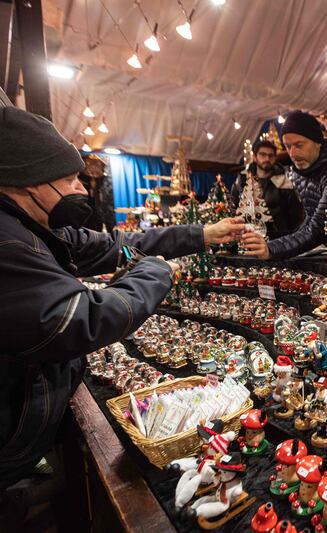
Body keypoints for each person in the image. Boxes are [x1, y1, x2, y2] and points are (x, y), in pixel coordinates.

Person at [0, 106, 244, 488]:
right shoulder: (9, 243)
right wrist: (156, 272)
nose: (81, 189)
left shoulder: (37, 228)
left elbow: (120, 246)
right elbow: (81, 318)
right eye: (68, 180)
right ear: (30, 183)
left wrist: (203, 234)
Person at [239, 110, 327, 260]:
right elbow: (308, 221)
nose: (292, 153)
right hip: (324, 254)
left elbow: (319, 227)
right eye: (287, 146)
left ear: (317, 142)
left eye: (299, 145)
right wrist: (274, 241)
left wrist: (272, 248)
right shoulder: (300, 174)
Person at [230, 139, 303, 239]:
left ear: (275, 158)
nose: (267, 158)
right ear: (255, 157)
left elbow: (296, 215)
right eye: (263, 154)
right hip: (247, 237)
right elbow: (233, 208)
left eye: (271, 155)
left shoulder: (283, 182)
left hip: (278, 239)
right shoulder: (242, 180)